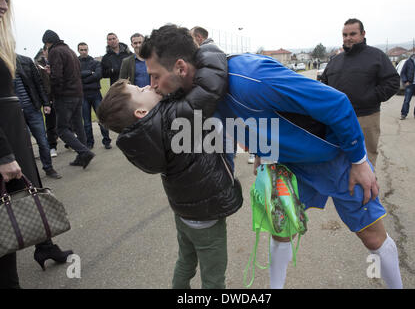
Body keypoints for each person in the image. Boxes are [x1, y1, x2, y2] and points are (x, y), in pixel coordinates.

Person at [146, 24, 402, 289]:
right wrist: (260, 150)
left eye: (154, 76)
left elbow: (335, 102)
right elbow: (248, 121)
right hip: (285, 164)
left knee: (372, 237)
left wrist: (359, 160)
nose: (152, 85)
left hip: (333, 158)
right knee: (280, 230)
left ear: (180, 67)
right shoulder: (201, 95)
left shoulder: (252, 77)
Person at [98, 25, 243, 289]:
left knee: (185, 263)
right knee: (213, 276)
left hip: (183, 213)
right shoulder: (173, 118)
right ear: (141, 113)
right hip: (205, 216)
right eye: (141, 91)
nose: (148, 85)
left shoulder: (141, 138)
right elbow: (211, 88)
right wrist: (205, 49)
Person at [0, 0, 72, 289]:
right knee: (4, 215)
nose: (4, 5)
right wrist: (3, 154)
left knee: (27, 193)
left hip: (13, 128)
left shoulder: (8, 44)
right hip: (5, 137)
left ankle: (44, 247)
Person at [321, 18, 399, 167]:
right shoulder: (335, 61)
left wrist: (370, 97)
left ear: (363, 34)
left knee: (365, 160)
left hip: (366, 117)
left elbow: (393, 82)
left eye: (353, 34)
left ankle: (366, 190)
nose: (348, 38)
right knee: (339, 159)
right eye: (345, 35)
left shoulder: (376, 56)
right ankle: (343, 189)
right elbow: (323, 86)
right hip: (338, 119)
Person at [42, 29, 95, 168]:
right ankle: (82, 156)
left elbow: (57, 77)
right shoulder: (70, 51)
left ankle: (84, 152)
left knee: (62, 129)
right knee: (78, 126)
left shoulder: (54, 52)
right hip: (77, 93)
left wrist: (54, 95)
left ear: (47, 43)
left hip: (64, 96)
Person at [14, 54, 61, 178]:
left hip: (32, 108)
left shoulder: (25, 61)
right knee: (23, 144)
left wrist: (46, 103)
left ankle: (49, 168)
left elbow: (38, 83)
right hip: (15, 113)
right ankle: (28, 174)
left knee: (42, 141)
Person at [78, 42, 112, 149]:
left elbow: (98, 75)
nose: (84, 52)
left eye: (85, 49)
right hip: (83, 95)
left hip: (96, 93)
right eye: (81, 50)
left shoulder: (95, 62)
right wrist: (90, 73)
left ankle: (106, 141)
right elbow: (76, 77)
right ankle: (89, 143)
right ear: (78, 50)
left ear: (88, 50)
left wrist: (84, 77)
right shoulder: (76, 63)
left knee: (102, 118)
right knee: (87, 122)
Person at [35, 45, 58, 157]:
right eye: (48, 50)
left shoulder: (57, 61)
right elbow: (39, 84)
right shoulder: (38, 65)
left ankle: (69, 143)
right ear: (43, 52)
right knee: (50, 123)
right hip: (47, 99)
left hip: (59, 96)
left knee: (65, 121)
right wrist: (46, 100)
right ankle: (52, 146)